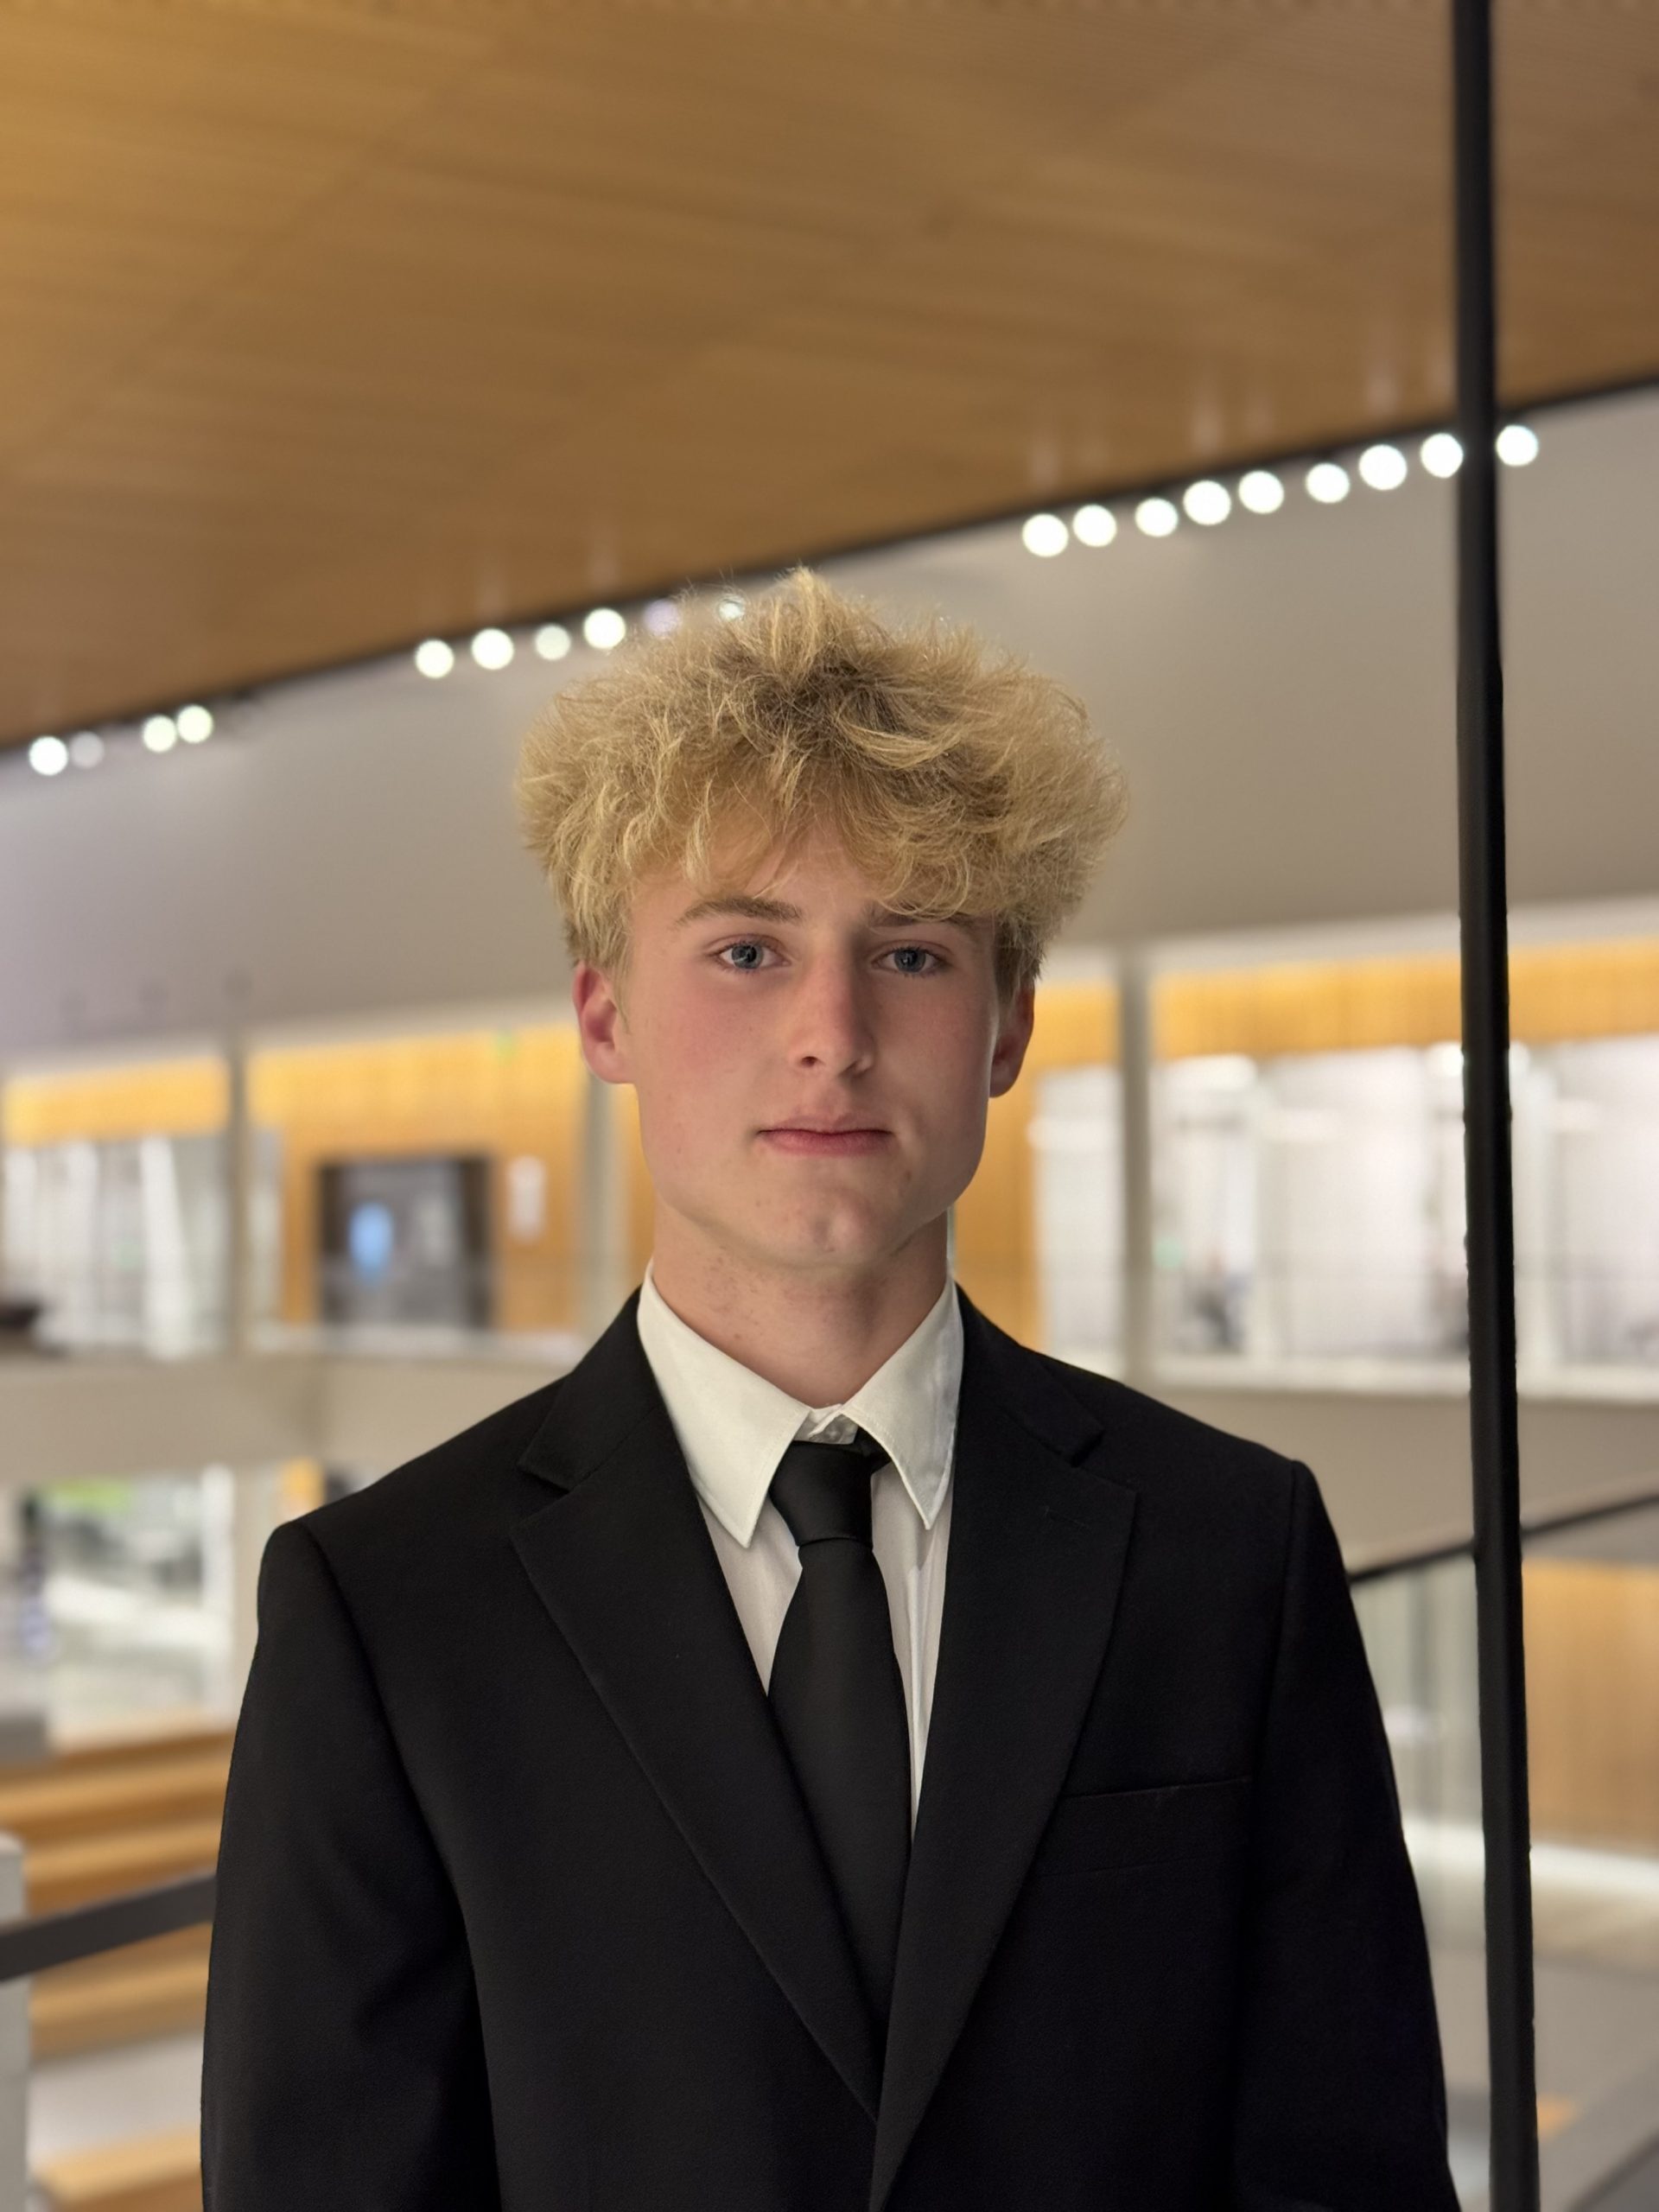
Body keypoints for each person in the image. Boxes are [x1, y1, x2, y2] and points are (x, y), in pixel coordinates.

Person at [200, 571, 1459, 2210]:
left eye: (913, 953)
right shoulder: (385, 1606)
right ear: (604, 1013)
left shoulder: (1232, 1546)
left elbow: (1347, 2171)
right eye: (745, 948)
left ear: (1006, 1028)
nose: (832, 1033)